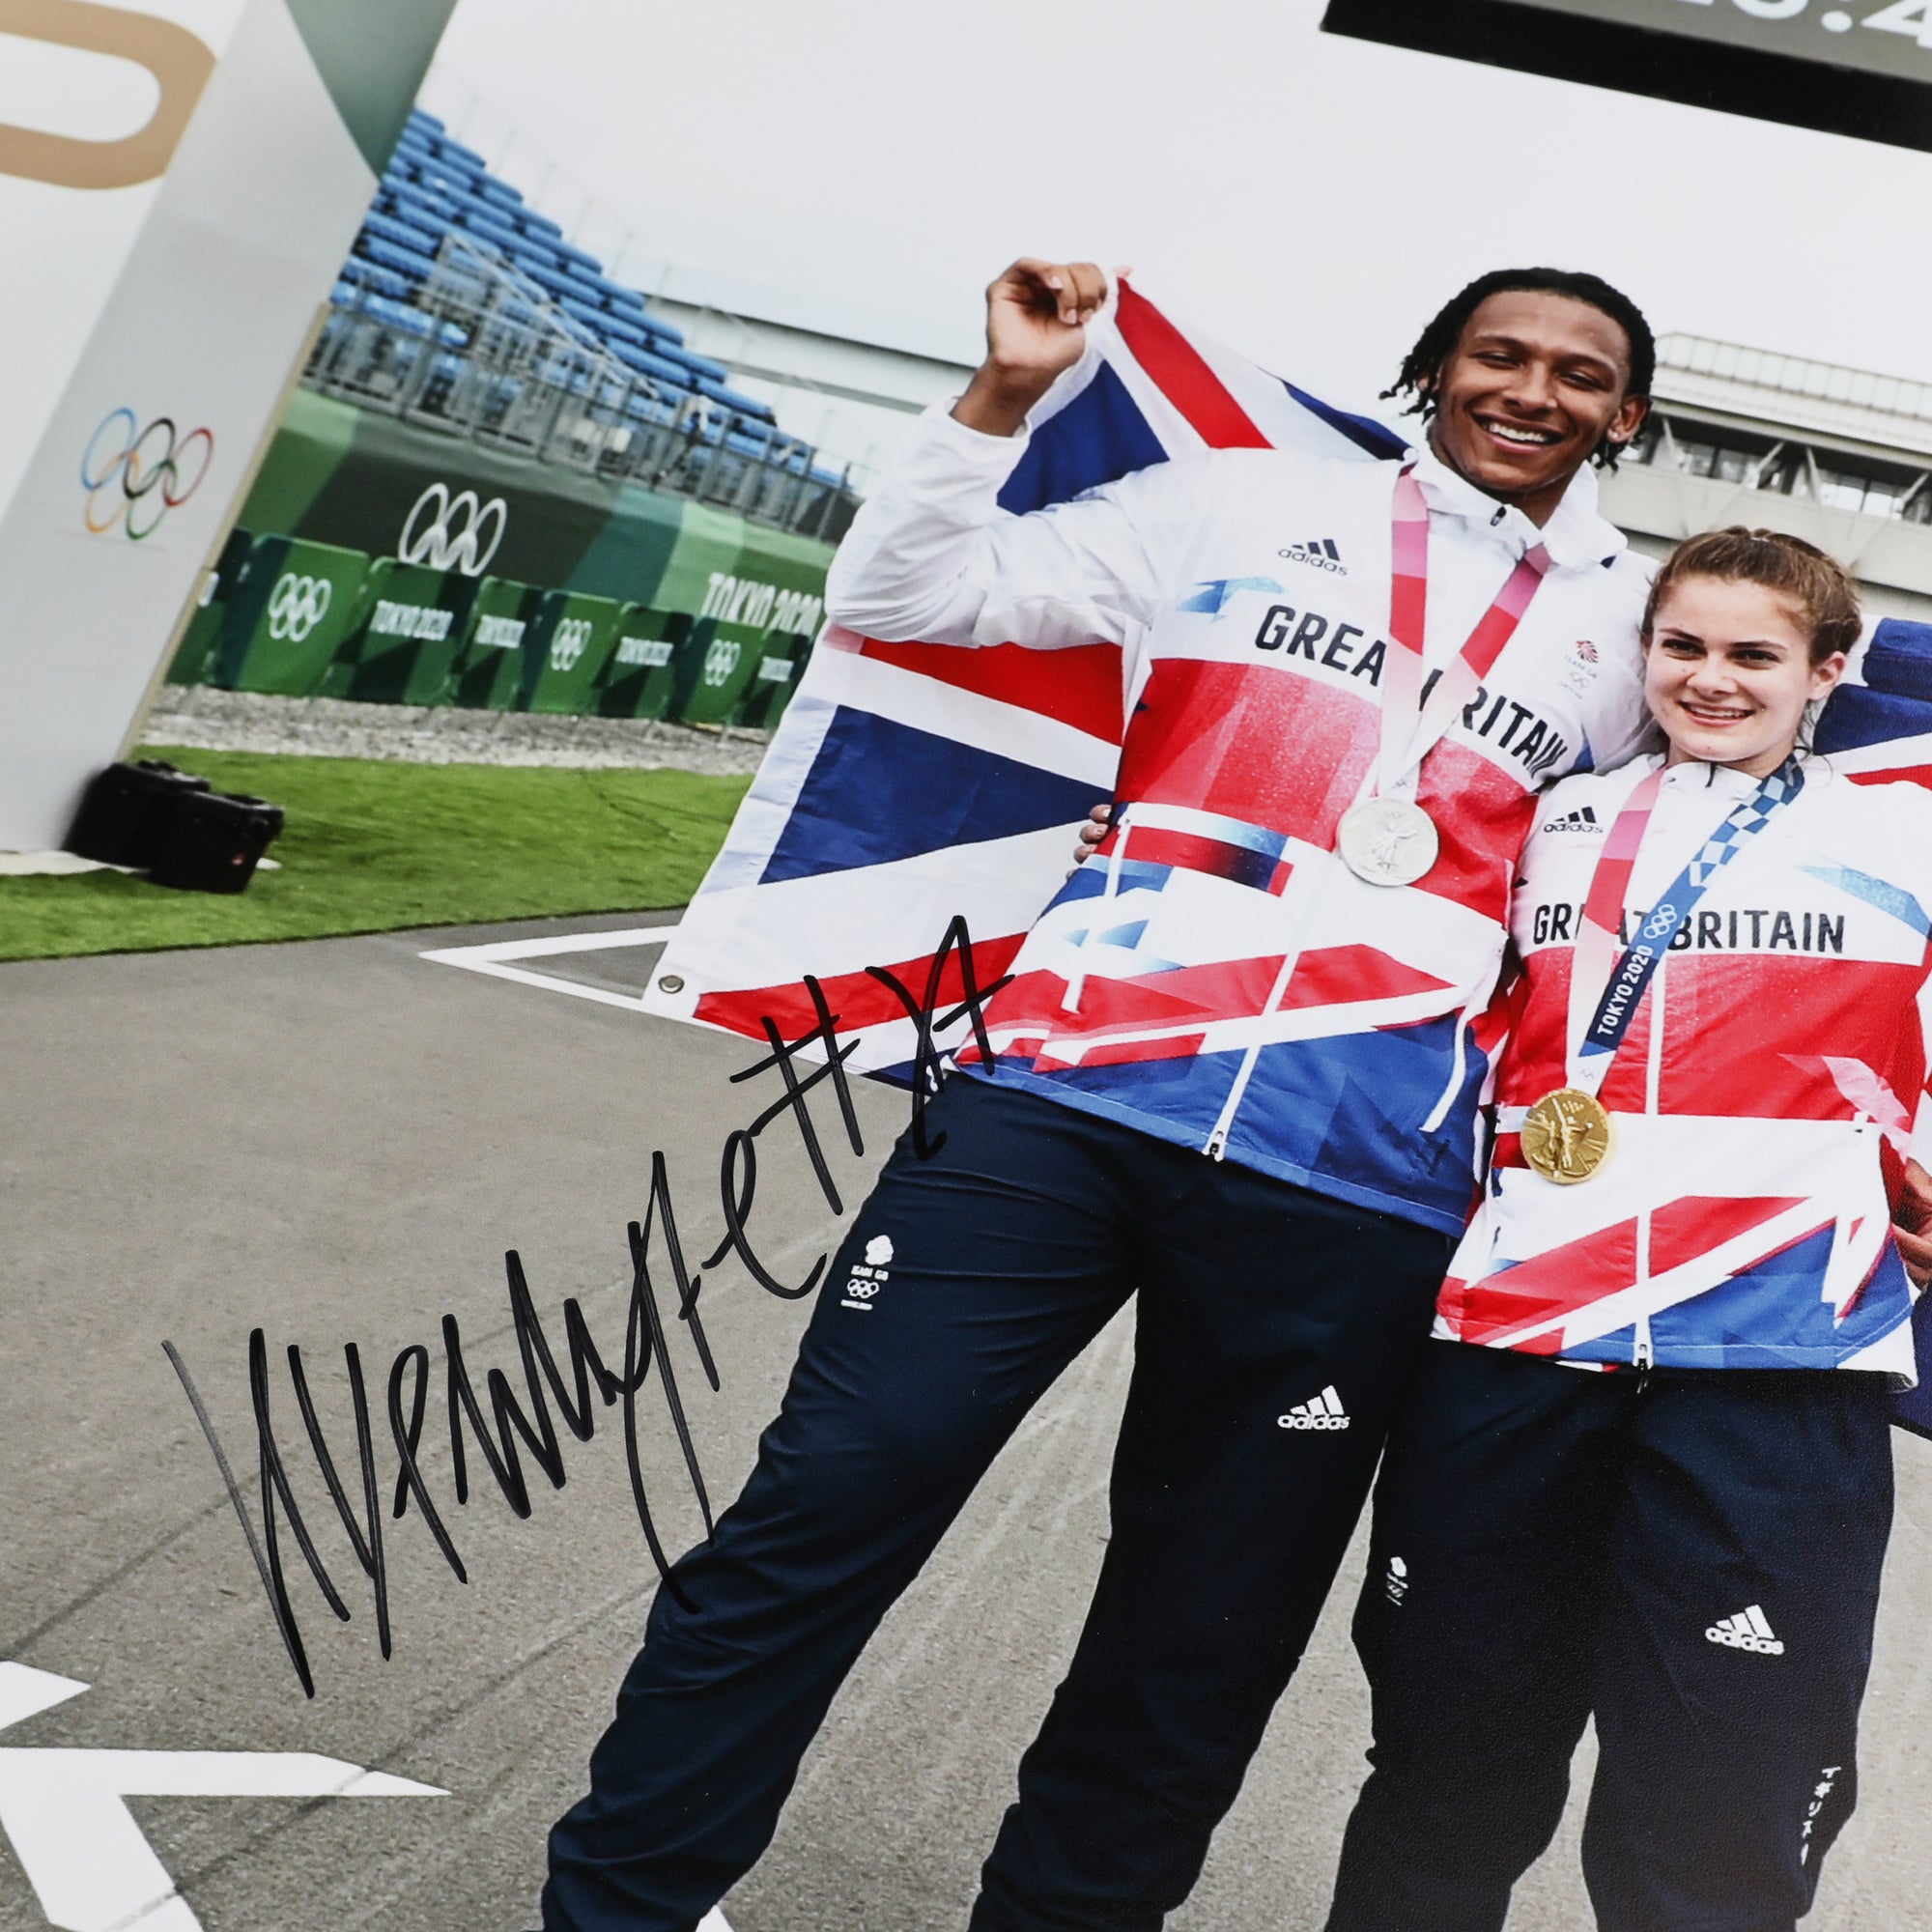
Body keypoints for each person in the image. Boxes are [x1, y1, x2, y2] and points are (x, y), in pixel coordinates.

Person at [541, 258, 1662, 1932]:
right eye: (1501, 352)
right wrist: (998, 396)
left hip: (1358, 1178)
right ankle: (615, 1911)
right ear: (1433, 368)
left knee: (1194, 1647)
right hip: (1064, 1099)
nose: (1536, 389)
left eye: (1582, 373)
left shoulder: (1634, 633)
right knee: (821, 1511)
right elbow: (914, 589)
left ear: (1624, 418)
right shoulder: (1238, 501)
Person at [1322, 528, 1932, 1932]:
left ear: (1830, 672)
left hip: (1778, 1360)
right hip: (1515, 1345)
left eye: (1754, 655)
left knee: (1716, 1824)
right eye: (1683, 646)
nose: (1711, 680)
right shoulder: (1550, 817)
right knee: (1439, 1779)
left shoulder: (1899, 826)